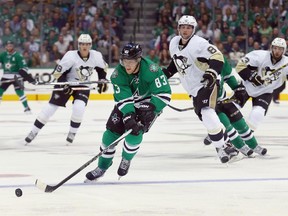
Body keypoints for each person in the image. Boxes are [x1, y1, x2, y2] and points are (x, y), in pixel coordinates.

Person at [85, 43, 171, 181]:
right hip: (127, 105)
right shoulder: (117, 75)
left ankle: (126, 159)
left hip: (146, 105)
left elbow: (164, 93)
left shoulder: (151, 70)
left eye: (131, 61)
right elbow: (124, 99)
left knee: (135, 132)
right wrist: (128, 114)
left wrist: (153, 107)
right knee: (109, 135)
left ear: (138, 60)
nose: (127, 65)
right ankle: (102, 167)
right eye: (125, 61)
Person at [163, 15, 232, 163]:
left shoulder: (200, 43)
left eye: (188, 28)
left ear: (193, 29)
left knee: (206, 112)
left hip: (207, 83)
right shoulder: (174, 42)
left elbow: (218, 56)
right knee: (205, 117)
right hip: (193, 88)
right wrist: (167, 73)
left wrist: (212, 73)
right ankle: (227, 140)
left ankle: (221, 148)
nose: (185, 30)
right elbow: (177, 61)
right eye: (182, 27)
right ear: (178, 28)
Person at [24, 34, 109, 145]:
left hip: (83, 85)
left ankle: (72, 133)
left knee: (79, 108)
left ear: (90, 45)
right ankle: (33, 131)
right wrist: (65, 85)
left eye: (87, 44)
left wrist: (102, 79)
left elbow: (103, 68)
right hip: (66, 82)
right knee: (50, 108)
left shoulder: (96, 56)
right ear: (79, 45)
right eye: (82, 44)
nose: (85, 46)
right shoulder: (71, 56)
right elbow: (57, 72)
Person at [203, 56, 267, 156]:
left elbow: (228, 77)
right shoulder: (197, 65)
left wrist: (237, 88)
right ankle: (240, 146)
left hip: (223, 100)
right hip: (210, 104)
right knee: (227, 126)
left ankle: (254, 146)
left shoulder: (220, 59)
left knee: (241, 123)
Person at [235, 37, 288, 132]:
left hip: (265, 92)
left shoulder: (286, 63)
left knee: (258, 114)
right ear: (271, 48)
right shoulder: (260, 55)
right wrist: (252, 77)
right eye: (275, 48)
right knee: (231, 108)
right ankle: (222, 133)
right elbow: (240, 66)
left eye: (280, 49)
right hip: (247, 87)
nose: (277, 51)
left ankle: (244, 137)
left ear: (284, 50)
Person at [0, 41, 36, 113]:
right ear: (6, 47)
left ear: (13, 46)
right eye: (8, 46)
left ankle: (27, 108)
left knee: (19, 92)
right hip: (6, 76)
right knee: (0, 91)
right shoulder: (3, 55)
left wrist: (23, 73)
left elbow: (24, 67)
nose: (9, 47)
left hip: (16, 77)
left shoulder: (18, 56)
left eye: (11, 45)